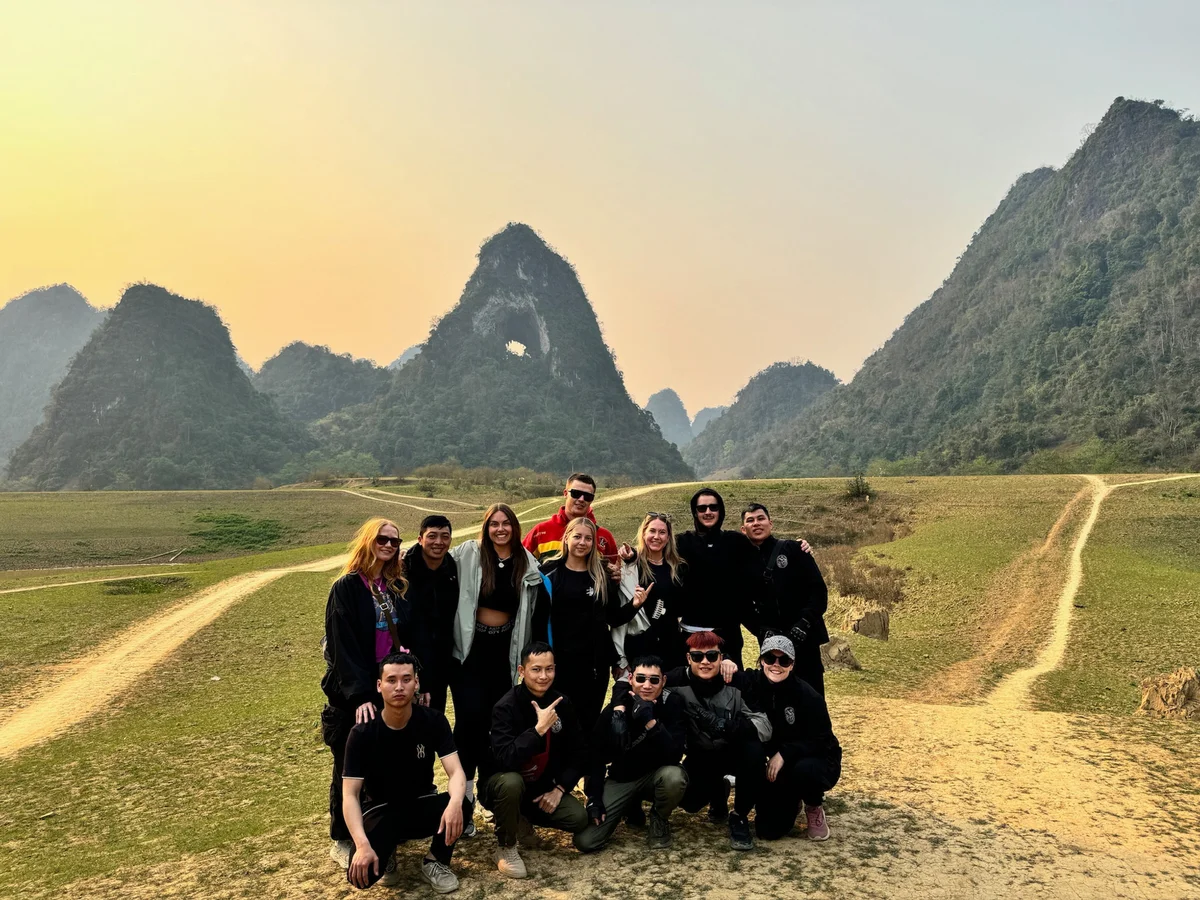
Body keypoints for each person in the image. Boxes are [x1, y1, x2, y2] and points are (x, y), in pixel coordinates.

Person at [320, 517, 418, 864]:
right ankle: (342, 838)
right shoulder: (346, 587)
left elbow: (404, 637)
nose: (389, 545)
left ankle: (380, 831)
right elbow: (342, 646)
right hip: (354, 693)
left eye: (395, 541)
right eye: (382, 539)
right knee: (349, 766)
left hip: (388, 686)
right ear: (367, 540)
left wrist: (411, 674)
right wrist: (361, 695)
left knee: (383, 764)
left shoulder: (394, 587)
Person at [448, 504, 547, 838]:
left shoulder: (526, 562)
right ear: (486, 527)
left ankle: (495, 800)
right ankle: (463, 801)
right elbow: (437, 559)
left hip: (504, 653)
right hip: (470, 652)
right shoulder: (469, 553)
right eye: (494, 524)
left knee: (497, 725)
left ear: (515, 528)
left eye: (506, 523)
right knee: (468, 725)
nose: (500, 529)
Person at [342, 652, 465, 893]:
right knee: (361, 878)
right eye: (391, 680)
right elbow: (349, 795)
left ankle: (435, 861)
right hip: (381, 810)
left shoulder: (433, 721)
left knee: (463, 805)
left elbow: (456, 772)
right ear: (379, 686)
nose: (399, 687)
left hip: (420, 803)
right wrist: (362, 844)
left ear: (416, 683)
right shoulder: (362, 733)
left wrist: (455, 803)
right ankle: (387, 852)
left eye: (406, 679)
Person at [478, 642, 588, 879]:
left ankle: (522, 818)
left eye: (549, 669)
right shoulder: (505, 707)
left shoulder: (563, 703)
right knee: (511, 782)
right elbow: (505, 759)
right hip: (501, 785)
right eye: (536, 669)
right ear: (521, 671)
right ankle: (505, 847)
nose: (543, 676)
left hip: (541, 789)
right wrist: (538, 730)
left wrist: (560, 789)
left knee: (579, 818)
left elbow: (579, 752)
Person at [536, 517, 647, 734]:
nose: (582, 542)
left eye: (588, 538)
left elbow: (613, 618)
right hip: (559, 663)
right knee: (559, 724)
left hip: (594, 666)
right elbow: (538, 619)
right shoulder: (549, 573)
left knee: (588, 722)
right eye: (577, 536)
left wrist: (634, 605)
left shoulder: (602, 575)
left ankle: (588, 758)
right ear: (566, 538)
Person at [669, 631, 771, 851]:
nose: (705, 662)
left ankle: (740, 815)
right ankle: (718, 792)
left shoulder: (737, 680)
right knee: (690, 802)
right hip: (701, 754)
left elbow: (764, 726)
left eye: (712, 656)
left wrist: (728, 726)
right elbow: (638, 684)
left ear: (721, 658)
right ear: (688, 658)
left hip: (734, 751)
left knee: (754, 752)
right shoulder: (675, 680)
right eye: (697, 656)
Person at [575, 655, 688, 852]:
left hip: (656, 776)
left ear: (663, 681)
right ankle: (630, 806)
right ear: (630, 679)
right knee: (586, 841)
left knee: (675, 777)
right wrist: (594, 797)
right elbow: (596, 755)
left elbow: (674, 755)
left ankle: (659, 817)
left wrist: (650, 722)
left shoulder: (673, 703)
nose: (647, 685)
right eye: (640, 679)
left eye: (654, 680)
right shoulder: (615, 709)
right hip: (622, 779)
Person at [742, 635, 841, 841]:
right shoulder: (751, 683)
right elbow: (716, 674)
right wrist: (726, 663)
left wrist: (785, 753)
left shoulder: (808, 695)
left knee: (804, 770)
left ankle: (813, 804)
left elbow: (822, 739)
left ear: (792, 664)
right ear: (761, 661)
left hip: (813, 757)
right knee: (768, 831)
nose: (776, 665)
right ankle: (792, 799)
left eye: (784, 660)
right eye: (770, 658)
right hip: (778, 764)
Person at [741, 503, 830, 695]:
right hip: (771, 643)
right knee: (775, 696)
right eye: (750, 520)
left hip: (804, 638)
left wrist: (804, 623)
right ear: (743, 529)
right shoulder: (742, 561)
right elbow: (741, 605)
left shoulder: (794, 549)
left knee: (810, 695)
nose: (756, 523)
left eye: (761, 518)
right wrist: (760, 630)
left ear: (770, 523)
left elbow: (819, 592)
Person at [672, 488, 761, 668]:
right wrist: (630, 557)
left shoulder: (736, 541)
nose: (708, 512)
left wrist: (795, 548)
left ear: (721, 511)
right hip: (691, 633)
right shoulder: (681, 542)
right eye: (702, 508)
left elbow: (764, 556)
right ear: (695, 512)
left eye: (713, 507)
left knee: (732, 683)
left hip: (728, 635)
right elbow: (652, 552)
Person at [402, 515, 460, 712]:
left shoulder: (452, 568)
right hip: (409, 658)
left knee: (435, 713)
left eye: (445, 536)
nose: (438, 542)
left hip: (442, 659)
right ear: (420, 539)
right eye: (432, 536)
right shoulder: (402, 569)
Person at [620, 513, 684, 666]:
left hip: (671, 645)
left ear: (668, 537)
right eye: (652, 531)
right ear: (643, 534)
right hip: (640, 646)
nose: (656, 536)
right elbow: (619, 616)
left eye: (662, 532)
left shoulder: (678, 567)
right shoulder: (631, 567)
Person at [523, 472, 620, 565]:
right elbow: (519, 563)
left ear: (592, 499)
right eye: (576, 493)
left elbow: (614, 570)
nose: (581, 499)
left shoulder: (604, 537)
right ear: (565, 493)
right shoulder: (540, 531)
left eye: (587, 496)